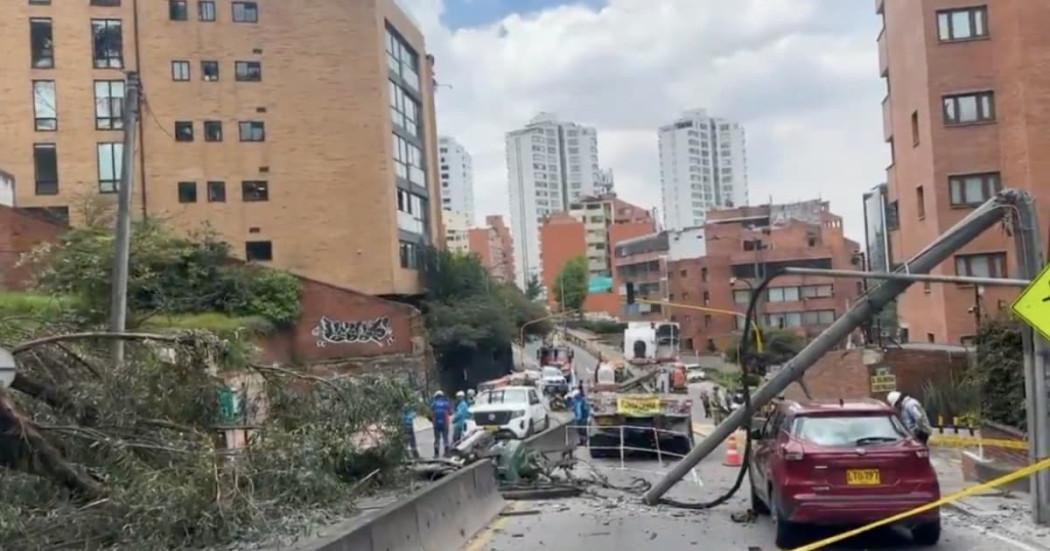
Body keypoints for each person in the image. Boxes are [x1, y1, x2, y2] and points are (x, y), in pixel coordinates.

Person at [429, 391, 451, 457]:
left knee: (437, 439)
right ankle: (447, 453)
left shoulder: (433, 404)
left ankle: (436, 454)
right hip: (445, 423)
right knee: (445, 438)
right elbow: (450, 412)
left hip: (436, 424)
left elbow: (429, 413)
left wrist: (432, 421)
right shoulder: (446, 404)